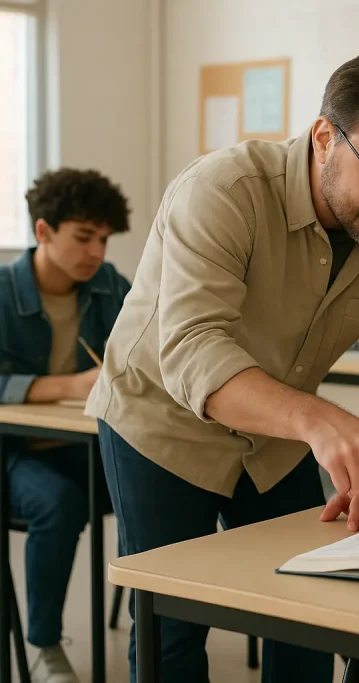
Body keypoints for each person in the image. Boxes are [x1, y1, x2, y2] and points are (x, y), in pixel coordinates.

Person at [86, 52, 359, 683]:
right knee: (174, 628)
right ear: (322, 138)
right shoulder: (223, 190)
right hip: (161, 424)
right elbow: (194, 347)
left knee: (309, 613)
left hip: (277, 435)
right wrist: (322, 423)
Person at [0, 168, 131, 683]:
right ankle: (45, 646)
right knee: (58, 503)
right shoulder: (4, 292)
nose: (96, 251)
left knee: (163, 485)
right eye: (83, 237)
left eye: (103, 238)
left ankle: (160, 634)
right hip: (15, 456)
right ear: (42, 231)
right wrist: (70, 385)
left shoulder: (108, 286)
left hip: (83, 447)